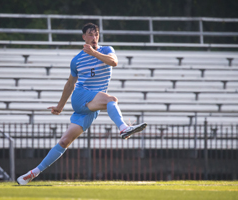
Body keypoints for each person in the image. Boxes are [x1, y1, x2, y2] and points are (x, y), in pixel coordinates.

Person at [16, 23, 147, 185]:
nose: (94, 38)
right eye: (90, 35)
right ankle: (123, 129)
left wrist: (94, 53)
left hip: (92, 105)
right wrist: (60, 106)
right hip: (81, 97)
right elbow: (70, 84)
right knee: (111, 100)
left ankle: (33, 173)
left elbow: (114, 62)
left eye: (96, 34)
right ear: (83, 37)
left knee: (64, 141)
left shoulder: (106, 50)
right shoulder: (77, 60)